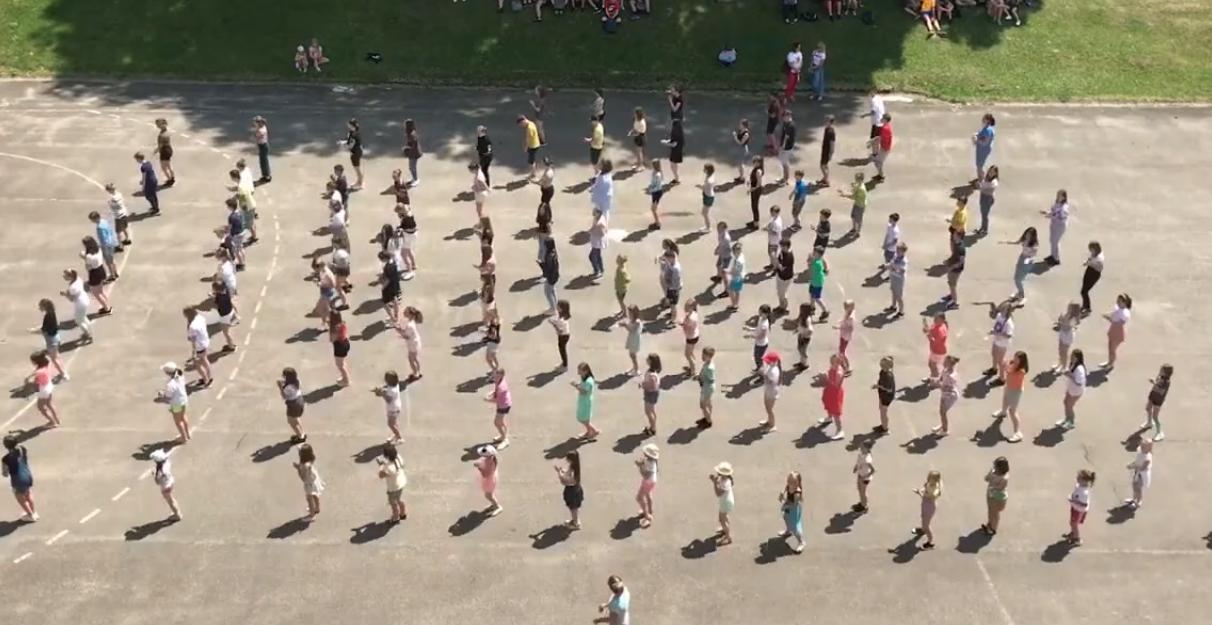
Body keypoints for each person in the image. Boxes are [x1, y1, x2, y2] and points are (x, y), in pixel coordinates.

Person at [993, 351, 1028, 442]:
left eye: (1017, 358)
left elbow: (1010, 373)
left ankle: (1017, 432)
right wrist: (1006, 365)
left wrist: (1005, 367)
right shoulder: (1012, 364)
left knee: (1012, 411)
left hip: (1016, 391)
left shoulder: (1021, 371)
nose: (1015, 359)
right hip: (1009, 387)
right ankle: (1003, 412)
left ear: (1021, 361)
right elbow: (1007, 368)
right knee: (1005, 401)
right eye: (1015, 357)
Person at [2, 435, 37, 522]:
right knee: (28, 493)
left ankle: (30, 515)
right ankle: (34, 511)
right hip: (28, 475)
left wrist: (4, 471)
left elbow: (5, 474)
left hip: (18, 479)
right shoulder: (22, 449)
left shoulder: (6, 459)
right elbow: (19, 447)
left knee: (20, 497)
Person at [30, 299, 67, 380]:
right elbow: (46, 327)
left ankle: (63, 374)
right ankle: (63, 371)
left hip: (51, 341)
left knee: (54, 359)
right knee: (56, 356)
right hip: (55, 338)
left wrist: (33, 331)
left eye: (40, 306)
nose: (39, 308)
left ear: (44, 306)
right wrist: (37, 328)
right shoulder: (52, 313)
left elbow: (44, 330)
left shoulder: (48, 316)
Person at [1005, 227, 1039, 302]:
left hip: (1027, 262)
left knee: (1018, 280)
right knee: (1016, 278)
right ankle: (1019, 292)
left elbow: (1033, 256)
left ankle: (1022, 295)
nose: (1028, 235)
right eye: (1027, 233)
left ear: (1033, 236)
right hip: (1021, 258)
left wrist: (1027, 261)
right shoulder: (1025, 239)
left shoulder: (1034, 245)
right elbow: (1017, 242)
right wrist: (1007, 242)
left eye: (1030, 234)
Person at [818, 353, 846, 440]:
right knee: (828, 404)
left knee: (836, 411)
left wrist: (825, 379)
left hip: (835, 392)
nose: (830, 362)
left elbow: (836, 385)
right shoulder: (834, 367)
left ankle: (840, 430)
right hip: (830, 390)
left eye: (832, 361)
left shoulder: (838, 372)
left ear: (837, 362)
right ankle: (829, 418)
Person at [985, 302, 1015, 384]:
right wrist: (993, 330)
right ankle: (994, 369)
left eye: (1004, 309)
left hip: (1003, 343)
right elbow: (997, 324)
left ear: (1008, 311)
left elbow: (1009, 335)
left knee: (1000, 361)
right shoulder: (999, 316)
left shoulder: (1009, 323)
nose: (1001, 310)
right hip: (996, 339)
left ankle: (1002, 378)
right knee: (993, 353)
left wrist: (998, 333)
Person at [1141, 364, 1172, 442]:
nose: (1160, 371)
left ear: (1166, 372)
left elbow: (1161, 391)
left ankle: (1159, 432)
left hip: (1158, 399)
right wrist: (1156, 379)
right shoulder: (1160, 377)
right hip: (1153, 395)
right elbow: (1157, 382)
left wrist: (1154, 383)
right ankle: (1149, 422)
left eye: (1162, 370)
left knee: (1155, 416)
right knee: (1148, 408)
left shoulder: (1166, 382)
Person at [1057, 349, 1087, 430]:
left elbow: (1079, 382)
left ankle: (1071, 422)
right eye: (1071, 356)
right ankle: (1067, 419)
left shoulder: (1080, 368)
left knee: (1069, 406)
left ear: (1078, 358)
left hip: (1076, 391)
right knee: (1066, 402)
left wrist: (1069, 375)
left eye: (1073, 356)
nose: (1071, 358)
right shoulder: (1073, 364)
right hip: (1071, 388)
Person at [27, 352, 59, 427]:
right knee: (49, 404)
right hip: (49, 386)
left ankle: (52, 422)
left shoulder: (39, 372)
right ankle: (57, 419)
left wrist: (27, 380)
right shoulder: (46, 364)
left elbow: (35, 383)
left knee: (40, 407)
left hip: (43, 390)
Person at [377, 444, 408, 523]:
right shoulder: (398, 457)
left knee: (393, 502)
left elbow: (381, 475)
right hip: (401, 482)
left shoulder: (389, 468)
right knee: (399, 499)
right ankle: (403, 513)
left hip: (393, 487)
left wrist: (381, 465)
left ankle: (395, 517)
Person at [912, 471, 942, 550]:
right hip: (925, 505)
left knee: (926, 525)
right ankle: (922, 530)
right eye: (929, 477)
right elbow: (925, 488)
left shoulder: (934, 489)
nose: (928, 479)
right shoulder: (929, 484)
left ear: (935, 480)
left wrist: (919, 493)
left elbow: (929, 497)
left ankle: (930, 542)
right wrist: (920, 490)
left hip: (929, 507)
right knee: (923, 519)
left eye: (931, 478)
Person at [149, 448, 182, 521]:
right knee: (171, 499)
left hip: (165, 487)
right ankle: (176, 513)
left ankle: (177, 515)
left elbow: (157, 482)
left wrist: (154, 474)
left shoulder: (160, 471)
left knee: (170, 501)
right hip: (170, 481)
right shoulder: (167, 462)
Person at [294, 444, 324, 520]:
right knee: (315, 494)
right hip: (314, 481)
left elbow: (303, 478)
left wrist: (298, 468)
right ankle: (317, 508)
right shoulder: (310, 459)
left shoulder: (304, 466)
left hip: (309, 483)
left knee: (309, 498)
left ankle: (311, 514)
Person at [981, 457, 1010, 536]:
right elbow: (986, 479)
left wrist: (993, 486)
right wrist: (989, 475)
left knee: (995, 513)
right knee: (990, 511)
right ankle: (990, 524)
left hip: (998, 498)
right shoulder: (993, 472)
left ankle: (992, 529)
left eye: (996, 466)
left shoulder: (1004, 478)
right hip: (991, 495)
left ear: (1001, 469)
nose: (994, 468)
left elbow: (1001, 488)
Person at [1066, 469, 1095, 545]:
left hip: (1079, 511)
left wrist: (1073, 501)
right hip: (1075, 508)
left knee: (1074, 523)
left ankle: (1077, 539)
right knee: (1072, 523)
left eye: (1079, 478)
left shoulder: (1084, 493)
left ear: (1084, 481)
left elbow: (1084, 504)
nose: (1077, 478)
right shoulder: (1080, 486)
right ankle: (1073, 533)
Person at [932, 355, 960, 437]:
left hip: (950, 395)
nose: (943, 362)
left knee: (943, 412)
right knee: (941, 411)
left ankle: (945, 430)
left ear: (950, 364)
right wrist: (935, 380)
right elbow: (940, 379)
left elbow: (946, 388)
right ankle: (942, 425)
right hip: (945, 394)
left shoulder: (951, 376)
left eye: (946, 362)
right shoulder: (945, 370)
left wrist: (936, 385)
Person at [1102, 293, 1132, 368]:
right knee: (1110, 347)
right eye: (1117, 301)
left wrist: (1109, 318)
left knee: (1113, 349)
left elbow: (1119, 323)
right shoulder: (1118, 308)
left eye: (1120, 301)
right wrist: (1107, 315)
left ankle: (1111, 364)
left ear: (1125, 303)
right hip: (1113, 329)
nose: (1118, 302)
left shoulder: (1125, 313)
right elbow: (1114, 314)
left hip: (1118, 332)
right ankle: (1109, 362)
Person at [571, 363, 600, 440]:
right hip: (584, 401)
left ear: (586, 371)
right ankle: (590, 431)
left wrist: (576, 386)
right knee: (585, 419)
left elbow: (584, 392)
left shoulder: (588, 381)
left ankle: (593, 432)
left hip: (585, 402)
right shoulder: (585, 378)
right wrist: (578, 384)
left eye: (580, 371)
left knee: (583, 419)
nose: (578, 372)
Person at [555, 451, 583, 529]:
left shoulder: (574, 470)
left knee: (573, 508)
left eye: (568, 459)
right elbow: (567, 474)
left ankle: (576, 523)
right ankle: (574, 520)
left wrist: (560, 474)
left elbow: (567, 480)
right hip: (575, 489)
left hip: (572, 491)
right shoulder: (575, 466)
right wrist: (562, 471)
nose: (567, 460)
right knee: (574, 508)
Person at [374, 370, 404, 445]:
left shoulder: (391, 391)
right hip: (396, 407)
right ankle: (395, 434)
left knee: (390, 424)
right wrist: (382, 390)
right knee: (394, 422)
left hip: (392, 409)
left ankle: (399, 437)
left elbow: (389, 400)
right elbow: (386, 388)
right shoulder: (395, 385)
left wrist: (381, 394)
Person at [1041, 189, 1070, 266]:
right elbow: (1054, 212)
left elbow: (1061, 217)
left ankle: (1056, 259)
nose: (1057, 196)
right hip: (1054, 225)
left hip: (1060, 226)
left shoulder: (1064, 207)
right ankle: (1053, 256)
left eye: (1060, 195)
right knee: (1052, 240)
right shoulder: (1057, 203)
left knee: (1055, 242)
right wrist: (1047, 212)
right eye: (1057, 195)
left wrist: (1050, 216)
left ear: (1064, 197)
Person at [278, 368, 306, 444]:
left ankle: (300, 437)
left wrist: (280, 387)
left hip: (293, 404)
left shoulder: (288, 388)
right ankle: (302, 433)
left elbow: (284, 396)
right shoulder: (297, 381)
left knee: (291, 421)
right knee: (296, 418)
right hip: (300, 400)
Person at [779, 472, 805, 553]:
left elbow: (794, 504)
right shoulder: (789, 486)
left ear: (798, 483)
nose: (791, 483)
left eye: (793, 482)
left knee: (794, 527)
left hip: (793, 509)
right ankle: (788, 531)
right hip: (788, 506)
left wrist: (786, 505)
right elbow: (785, 489)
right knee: (785, 517)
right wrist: (782, 494)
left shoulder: (797, 492)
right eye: (789, 481)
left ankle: (801, 542)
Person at [710, 462, 735, 546]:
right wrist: (715, 481)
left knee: (722, 520)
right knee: (724, 516)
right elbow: (720, 486)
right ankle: (725, 530)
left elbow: (718, 493)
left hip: (725, 503)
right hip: (727, 502)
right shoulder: (726, 479)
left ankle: (728, 537)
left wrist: (714, 483)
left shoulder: (725, 482)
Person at [473, 444, 502, 517]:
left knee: (488, 495)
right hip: (491, 479)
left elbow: (486, 474)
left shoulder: (489, 463)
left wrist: (479, 468)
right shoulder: (491, 458)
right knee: (490, 494)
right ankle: (494, 504)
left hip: (489, 480)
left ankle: (497, 506)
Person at [398, 306, 424, 381]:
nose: (404, 312)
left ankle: (415, 374)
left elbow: (407, 336)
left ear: (410, 314)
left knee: (411, 360)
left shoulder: (409, 325)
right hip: (415, 342)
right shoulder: (411, 322)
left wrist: (399, 331)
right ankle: (418, 372)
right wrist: (401, 330)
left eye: (406, 312)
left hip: (413, 344)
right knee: (415, 358)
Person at [638, 353, 661, 437]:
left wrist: (643, 385)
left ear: (651, 362)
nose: (646, 359)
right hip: (653, 393)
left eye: (648, 359)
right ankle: (653, 425)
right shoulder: (652, 371)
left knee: (648, 411)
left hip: (650, 394)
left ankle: (653, 428)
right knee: (652, 410)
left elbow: (652, 386)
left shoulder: (652, 375)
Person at [636, 444, 659, 527]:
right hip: (651, 481)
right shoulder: (651, 461)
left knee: (639, 498)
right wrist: (642, 463)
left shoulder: (650, 463)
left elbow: (645, 475)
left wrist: (640, 466)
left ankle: (647, 516)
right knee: (648, 495)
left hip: (648, 482)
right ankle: (650, 511)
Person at [1125, 440, 1153, 509]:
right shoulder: (1140, 452)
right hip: (1137, 473)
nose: (1142, 447)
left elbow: (1143, 468)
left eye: (1144, 447)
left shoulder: (1147, 458)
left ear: (1149, 448)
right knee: (1134, 486)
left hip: (1142, 475)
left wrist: (1133, 466)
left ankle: (1138, 502)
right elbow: (1137, 460)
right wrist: (1132, 464)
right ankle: (1133, 499)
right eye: (1142, 446)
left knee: (1138, 489)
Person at [1079, 241, 1104, 315]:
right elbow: (1090, 259)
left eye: (1091, 249)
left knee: (1084, 291)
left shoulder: (1099, 258)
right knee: (1083, 291)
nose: (1090, 250)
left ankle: (1088, 308)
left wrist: (1089, 263)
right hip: (1089, 271)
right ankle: (1085, 305)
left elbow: (1098, 266)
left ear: (1095, 249)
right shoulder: (1094, 254)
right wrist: (1087, 262)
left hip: (1094, 274)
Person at [760, 351, 782, 431]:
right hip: (768, 390)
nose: (767, 362)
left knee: (770, 409)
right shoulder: (772, 367)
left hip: (771, 392)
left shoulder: (774, 371)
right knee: (767, 407)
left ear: (773, 362)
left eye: (768, 361)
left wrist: (764, 375)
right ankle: (769, 421)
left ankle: (772, 425)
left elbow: (771, 381)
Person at [328, 310, 351, 387]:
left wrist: (330, 331)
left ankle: (346, 380)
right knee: (342, 362)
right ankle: (344, 377)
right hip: (345, 343)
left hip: (339, 346)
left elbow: (332, 339)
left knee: (339, 365)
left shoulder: (334, 328)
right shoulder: (342, 324)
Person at [922, 313, 949, 380]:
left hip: (938, 351)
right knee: (931, 364)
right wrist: (926, 328)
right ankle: (935, 378)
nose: (934, 320)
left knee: (933, 366)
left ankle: (935, 380)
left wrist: (927, 334)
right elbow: (930, 330)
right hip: (936, 350)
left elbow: (934, 341)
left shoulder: (940, 331)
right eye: (935, 318)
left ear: (942, 320)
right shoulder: (937, 325)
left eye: (936, 319)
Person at [874, 355, 896, 433]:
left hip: (887, 397)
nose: (881, 365)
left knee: (883, 412)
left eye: (883, 365)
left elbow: (889, 389)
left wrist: (879, 386)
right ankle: (883, 424)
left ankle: (885, 429)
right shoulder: (883, 371)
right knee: (881, 409)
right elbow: (880, 380)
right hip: (882, 394)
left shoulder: (888, 376)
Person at [696, 346, 717, 428]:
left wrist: (701, 379)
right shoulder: (709, 363)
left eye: (705, 356)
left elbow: (711, 379)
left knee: (703, 405)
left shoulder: (709, 368)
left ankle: (708, 421)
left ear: (709, 356)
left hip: (707, 388)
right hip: (707, 387)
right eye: (702, 355)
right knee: (708, 403)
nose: (702, 357)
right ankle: (707, 417)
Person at [808, 246, 830, 321]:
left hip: (816, 282)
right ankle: (812, 307)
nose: (813, 253)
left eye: (815, 252)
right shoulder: (819, 259)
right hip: (814, 281)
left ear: (819, 254)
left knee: (817, 298)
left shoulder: (816, 263)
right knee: (811, 294)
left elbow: (810, 268)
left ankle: (825, 311)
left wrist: (809, 261)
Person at [852, 439, 875, 513]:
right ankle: (862, 502)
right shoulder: (861, 454)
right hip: (860, 474)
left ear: (867, 448)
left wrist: (865, 477)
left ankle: (864, 507)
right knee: (859, 489)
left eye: (862, 447)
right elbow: (859, 461)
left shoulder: (867, 459)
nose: (860, 447)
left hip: (865, 478)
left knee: (863, 492)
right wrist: (856, 467)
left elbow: (873, 470)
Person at [549, 300, 572, 370]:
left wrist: (553, 324)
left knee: (562, 350)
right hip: (564, 335)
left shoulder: (562, 320)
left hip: (563, 336)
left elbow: (560, 331)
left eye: (558, 306)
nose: (556, 307)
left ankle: (565, 366)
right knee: (562, 349)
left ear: (562, 309)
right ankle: (564, 363)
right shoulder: (562, 315)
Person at [517, 114, 543, 179]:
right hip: (536, 143)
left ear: (523, 121)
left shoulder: (529, 128)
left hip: (533, 146)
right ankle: (533, 173)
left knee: (531, 161)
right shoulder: (531, 123)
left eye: (521, 125)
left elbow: (528, 140)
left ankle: (533, 174)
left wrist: (526, 148)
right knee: (531, 160)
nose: (522, 126)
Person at [152, 118, 176, 187]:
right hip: (169, 149)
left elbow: (160, 145)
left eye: (158, 124)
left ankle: (169, 180)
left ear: (162, 124)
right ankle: (172, 178)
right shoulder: (166, 131)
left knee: (163, 167)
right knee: (169, 165)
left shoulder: (161, 135)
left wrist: (155, 151)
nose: (157, 126)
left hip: (164, 150)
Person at [887, 241, 908, 318]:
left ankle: (901, 311)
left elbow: (902, 271)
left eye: (899, 250)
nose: (897, 251)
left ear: (903, 251)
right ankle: (893, 306)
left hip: (899, 279)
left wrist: (893, 269)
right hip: (893, 276)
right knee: (893, 291)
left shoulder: (904, 260)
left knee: (899, 296)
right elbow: (892, 263)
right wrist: (889, 265)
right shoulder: (896, 256)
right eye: (897, 249)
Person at [973, 113, 996, 181]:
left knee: (979, 166)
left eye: (984, 118)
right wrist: (977, 134)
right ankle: (981, 178)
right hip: (982, 149)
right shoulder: (987, 128)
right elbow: (982, 135)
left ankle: (981, 181)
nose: (982, 119)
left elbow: (985, 142)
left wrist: (976, 140)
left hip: (983, 150)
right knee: (980, 165)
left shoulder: (988, 130)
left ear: (988, 120)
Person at [976, 166, 999, 234]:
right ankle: (982, 228)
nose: (990, 173)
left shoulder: (994, 182)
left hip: (987, 199)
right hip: (983, 197)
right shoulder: (987, 178)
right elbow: (982, 185)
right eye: (990, 171)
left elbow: (986, 189)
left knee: (985, 215)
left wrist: (980, 186)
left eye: (993, 172)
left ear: (995, 173)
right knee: (983, 214)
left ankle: (985, 229)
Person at [661, 119, 684, 184]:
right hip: (677, 150)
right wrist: (666, 141)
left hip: (676, 151)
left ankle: (677, 179)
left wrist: (665, 143)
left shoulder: (676, 133)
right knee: (674, 165)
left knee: (672, 165)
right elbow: (672, 140)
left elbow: (674, 144)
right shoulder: (679, 132)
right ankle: (676, 178)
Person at [343, 118, 364, 190]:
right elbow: (348, 142)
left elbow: (351, 145)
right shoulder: (352, 132)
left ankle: (360, 183)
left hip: (356, 152)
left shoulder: (354, 135)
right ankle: (358, 181)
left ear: (352, 125)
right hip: (356, 151)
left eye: (349, 124)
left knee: (357, 168)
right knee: (356, 168)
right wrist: (343, 143)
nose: (348, 125)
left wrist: (345, 147)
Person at [872, 113, 893, 182]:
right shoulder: (886, 126)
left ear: (886, 120)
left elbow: (880, 138)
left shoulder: (885, 128)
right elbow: (881, 137)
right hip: (884, 147)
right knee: (878, 162)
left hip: (885, 148)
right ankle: (880, 175)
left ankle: (881, 176)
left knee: (878, 162)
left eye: (882, 118)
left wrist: (872, 142)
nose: (881, 119)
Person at [726, 241, 746, 310]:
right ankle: (735, 304)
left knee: (730, 290)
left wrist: (728, 272)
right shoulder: (741, 256)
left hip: (737, 277)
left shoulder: (739, 261)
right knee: (737, 291)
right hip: (740, 276)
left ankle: (734, 304)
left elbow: (736, 270)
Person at [251, 116, 271, 183]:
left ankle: (267, 176)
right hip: (264, 145)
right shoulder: (263, 126)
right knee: (263, 161)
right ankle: (265, 175)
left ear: (258, 123)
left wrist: (256, 148)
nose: (254, 124)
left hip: (262, 146)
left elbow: (256, 138)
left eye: (255, 122)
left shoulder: (260, 130)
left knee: (263, 162)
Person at [747, 156, 765, 228]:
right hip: (755, 189)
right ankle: (755, 220)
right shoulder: (756, 169)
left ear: (759, 163)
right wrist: (750, 181)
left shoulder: (758, 171)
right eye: (753, 162)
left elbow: (759, 183)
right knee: (753, 205)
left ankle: (756, 223)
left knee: (755, 206)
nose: (753, 163)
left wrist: (752, 189)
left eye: (755, 162)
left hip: (756, 190)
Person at [819, 115, 836, 187]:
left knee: (822, 166)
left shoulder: (831, 131)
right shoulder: (827, 129)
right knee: (825, 165)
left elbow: (832, 143)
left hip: (827, 151)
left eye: (827, 120)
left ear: (830, 122)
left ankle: (827, 181)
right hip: (825, 150)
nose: (825, 121)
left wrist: (831, 153)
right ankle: (825, 178)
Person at [699, 163, 716, 232]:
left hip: (708, 197)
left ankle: (708, 227)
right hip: (708, 196)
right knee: (704, 213)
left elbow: (706, 188)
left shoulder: (709, 180)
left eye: (704, 169)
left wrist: (700, 186)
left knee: (704, 213)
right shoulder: (709, 176)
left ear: (707, 170)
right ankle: (707, 226)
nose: (703, 170)